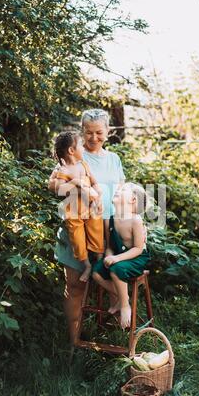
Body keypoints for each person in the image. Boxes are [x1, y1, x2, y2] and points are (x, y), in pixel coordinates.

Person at [48, 109, 125, 347]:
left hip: (109, 229)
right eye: (89, 133)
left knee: (114, 280)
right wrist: (81, 187)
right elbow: (54, 186)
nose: (93, 138)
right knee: (75, 286)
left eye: (99, 132)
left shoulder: (114, 159)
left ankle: (114, 339)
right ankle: (74, 343)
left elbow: (122, 190)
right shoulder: (74, 155)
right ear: (82, 132)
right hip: (77, 227)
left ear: (108, 132)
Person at [92, 182, 151, 329]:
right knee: (96, 272)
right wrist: (108, 256)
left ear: (133, 200)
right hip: (117, 257)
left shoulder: (135, 220)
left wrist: (116, 258)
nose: (118, 189)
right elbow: (111, 246)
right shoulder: (109, 220)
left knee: (116, 268)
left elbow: (138, 248)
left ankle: (125, 306)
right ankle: (124, 296)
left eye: (124, 189)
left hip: (136, 258)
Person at [52, 131, 104, 282]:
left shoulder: (84, 165)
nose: (84, 147)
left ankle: (99, 263)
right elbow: (59, 189)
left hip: (91, 207)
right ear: (71, 150)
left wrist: (99, 196)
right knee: (78, 240)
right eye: (81, 145)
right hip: (74, 211)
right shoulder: (64, 170)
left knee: (97, 234)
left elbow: (94, 183)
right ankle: (87, 265)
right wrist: (75, 182)